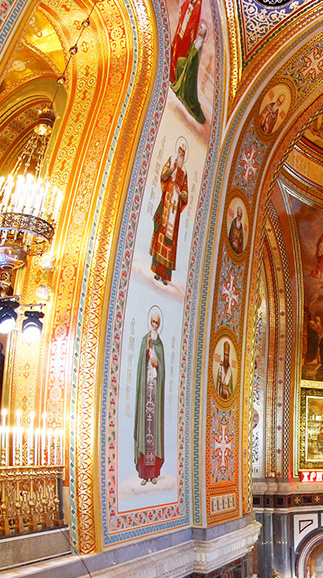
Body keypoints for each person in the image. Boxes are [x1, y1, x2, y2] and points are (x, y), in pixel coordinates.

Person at [134, 307, 166, 484]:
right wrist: (147, 355)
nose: (155, 325)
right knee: (144, 430)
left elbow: (161, 368)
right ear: (150, 323)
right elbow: (141, 365)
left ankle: (153, 473)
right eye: (153, 322)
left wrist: (157, 363)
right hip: (146, 391)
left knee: (154, 432)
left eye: (157, 323)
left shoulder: (159, 345)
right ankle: (144, 474)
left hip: (155, 393)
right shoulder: (144, 341)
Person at [150, 139, 189, 285]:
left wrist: (180, 193)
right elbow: (164, 176)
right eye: (180, 152)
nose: (181, 155)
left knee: (171, 242)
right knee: (161, 232)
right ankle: (156, 268)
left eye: (183, 153)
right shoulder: (171, 161)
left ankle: (165, 275)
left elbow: (186, 193)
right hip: (167, 201)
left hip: (175, 206)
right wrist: (172, 169)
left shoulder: (185, 172)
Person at [171, 19, 207, 123]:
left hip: (191, 66)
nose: (199, 31)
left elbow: (195, 57)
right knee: (180, 61)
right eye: (200, 29)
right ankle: (178, 82)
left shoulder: (200, 43)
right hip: (189, 62)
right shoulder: (197, 41)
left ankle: (183, 91)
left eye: (201, 30)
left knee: (182, 63)